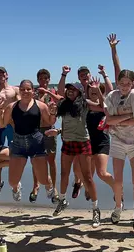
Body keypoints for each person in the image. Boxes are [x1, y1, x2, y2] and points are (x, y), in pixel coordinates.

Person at [45, 76, 104, 228]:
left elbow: (102, 107)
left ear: (79, 92)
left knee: (87, 177)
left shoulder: (85, 104)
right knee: (64, 173)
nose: (70, 92)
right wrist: (52, 116)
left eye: (73, 90)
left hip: (83, 142)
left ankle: (96, 209)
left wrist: (97, 89)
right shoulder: (63, 104)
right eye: (68, 89)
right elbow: (54, 113)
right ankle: (63, 200)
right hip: (67, 142)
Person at [0, 79, 56, 201]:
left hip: (36, 142)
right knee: (12, 181)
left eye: (28, 89)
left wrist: (53, 112)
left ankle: (49, 185)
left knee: (43, 180)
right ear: (19, 91)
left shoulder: (40, 105)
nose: (25, 91)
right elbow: (2, 124)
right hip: (18, 143)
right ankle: (17, 187)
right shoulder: (11, 106)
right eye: (22, 89)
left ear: (33, 91)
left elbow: (49, 121)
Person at [105, 69, 134, 231]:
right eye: (122, 83)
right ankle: (118, 206)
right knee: (118, 180)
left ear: (132, 84)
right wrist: (128, 117)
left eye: (128, 84)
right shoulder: (112, 96)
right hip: (117, 141)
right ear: (117, 83)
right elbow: (108, 120)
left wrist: (119, 121)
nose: (124, 86)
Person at [57, 65, 92, 198]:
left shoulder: (93, 87)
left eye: (86, 73)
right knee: (76, 166)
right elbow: (61, 94)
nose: (84, 76)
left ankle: (86, 186)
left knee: (86, 167)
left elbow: (103, 104)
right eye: (81, 74)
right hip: (73, 133)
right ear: (78, 76)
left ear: (90, 74)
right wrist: (64, 74)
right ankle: (78, 183)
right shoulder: (75, 89)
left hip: (89, 131)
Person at [29, 69, 59, 204]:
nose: (44, 80)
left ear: (49, 79)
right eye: (41, 78)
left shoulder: (53, 93)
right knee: (35, 161)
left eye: (46, 78)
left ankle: (55, 188)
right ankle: (36, 186)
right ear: (38, 80)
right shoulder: (32, 93)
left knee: (51, 161)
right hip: (34, 130)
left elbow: (58, 108)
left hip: (49, 129)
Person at [0, 66, 20, 192]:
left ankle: (15, 183)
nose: (0, 75)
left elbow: (21, 105)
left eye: (2, 73)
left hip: (11, 125)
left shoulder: (14, 89)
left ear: (7, 75)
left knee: (14, 153)